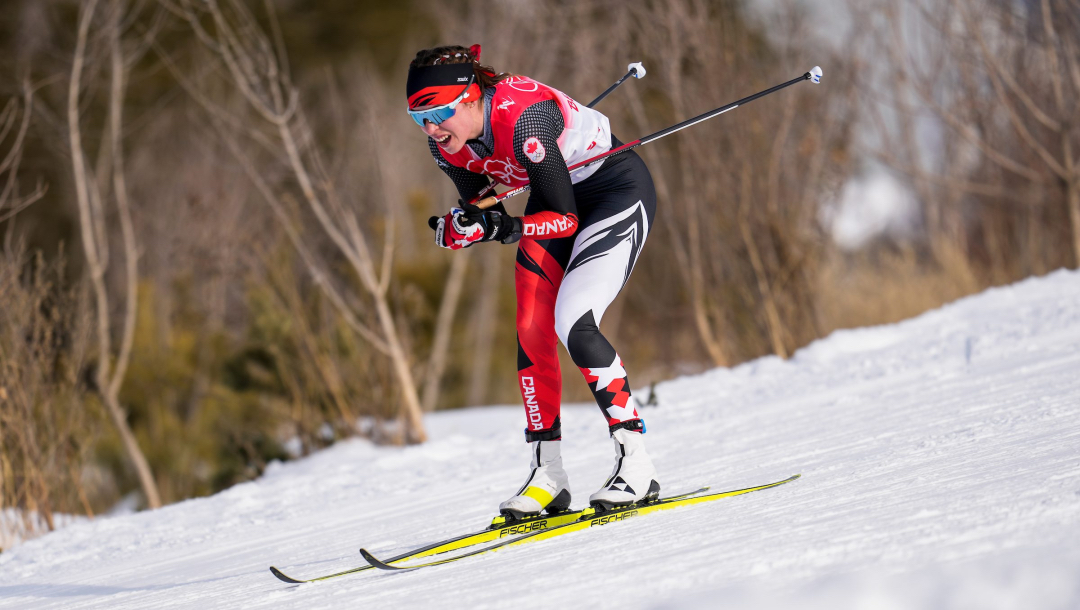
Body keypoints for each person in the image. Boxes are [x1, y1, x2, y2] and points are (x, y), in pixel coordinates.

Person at [407, 44, 660, 516]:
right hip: (552, 205)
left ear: (468, 98)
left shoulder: (524, 117)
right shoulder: (445, 145)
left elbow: (560, 219)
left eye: (438, 113)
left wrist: (496, 228)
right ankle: (549, 473)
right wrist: (464, 228)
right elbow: (488, 211)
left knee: (573, 320)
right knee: (531, 328)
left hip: (611, 194)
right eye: (418, 118)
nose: (431, 129)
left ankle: (637, 465)